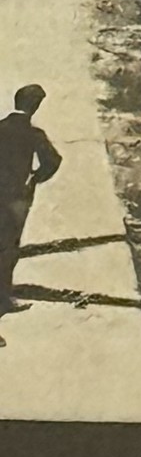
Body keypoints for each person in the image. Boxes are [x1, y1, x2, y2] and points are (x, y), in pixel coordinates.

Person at [0, 84, 61, 316]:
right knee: (7, 252)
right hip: (16, 202)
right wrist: (35, 179)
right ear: (34, 106)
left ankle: (4, 300)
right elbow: (53, 161)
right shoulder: (34, 134)